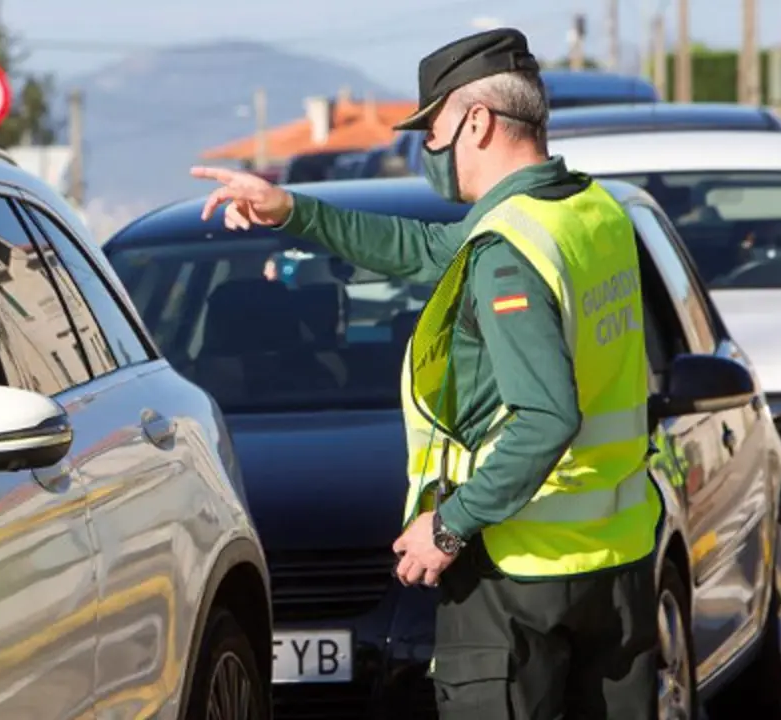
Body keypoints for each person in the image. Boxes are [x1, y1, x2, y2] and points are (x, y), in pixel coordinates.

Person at [191, 28, 659, 720]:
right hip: (616, 565)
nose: (430, 150)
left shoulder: (509, 250)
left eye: (433, 129)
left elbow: (547, 415)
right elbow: (420, 248)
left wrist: (449, 526)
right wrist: (293, 211)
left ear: (478, 121)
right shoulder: (594, 214)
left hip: (518, 574)